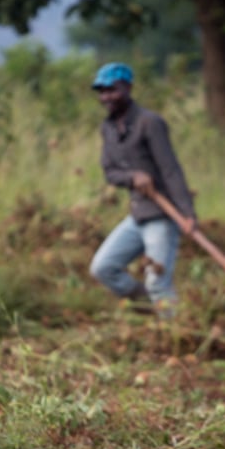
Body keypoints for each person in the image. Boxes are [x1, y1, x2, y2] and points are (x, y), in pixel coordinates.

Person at [88, 62, 196, 311]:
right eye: (102, 92)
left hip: (163, 215)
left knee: (159, 282)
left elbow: (171, 170)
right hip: (138, 215)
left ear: (128, 88)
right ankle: (152, 309)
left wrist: (187, 213)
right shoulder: (108, 129)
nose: (106, 97)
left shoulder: (150, 123)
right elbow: (110, 172)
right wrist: (133, 177)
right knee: (103, 268)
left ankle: (175, 333)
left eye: (112, 90)